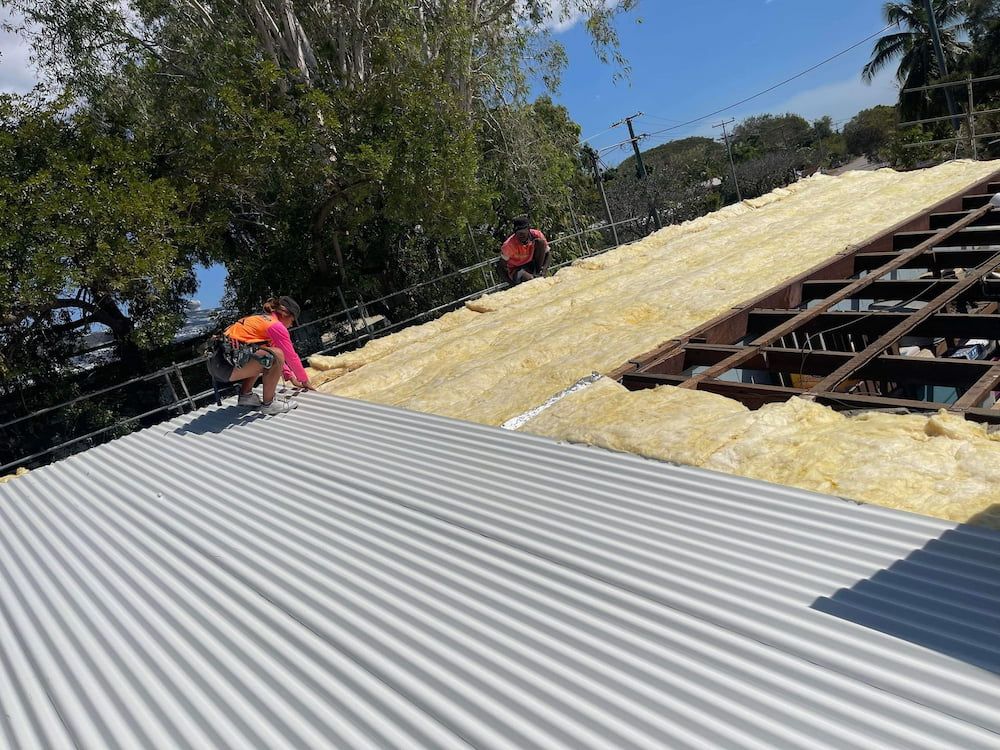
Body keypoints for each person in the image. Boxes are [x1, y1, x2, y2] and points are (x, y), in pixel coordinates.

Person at [207, 296, 314, 415]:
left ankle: (246, 396)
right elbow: (290, 356)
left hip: (216, 364)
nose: (291, 325)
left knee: (262, 354)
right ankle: (269, 404)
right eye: (292, 320)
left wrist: (291, 377)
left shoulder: (260, 320)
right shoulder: (276, 326)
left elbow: (272, 355)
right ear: (285, 314)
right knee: (274, 355)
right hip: (226, 366)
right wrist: (304, 381)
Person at [500, 215, 550, 285]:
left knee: (540, 242)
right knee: (530, 280)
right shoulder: (509, 245)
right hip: (516, 269)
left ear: (528, 229)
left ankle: (538, 272)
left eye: (523, 233)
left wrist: (544, 269)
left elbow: (547, 253)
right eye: (519, 233)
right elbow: (501, 267)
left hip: (532, 263)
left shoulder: (537, 235)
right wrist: (512, 283)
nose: (521, 236)